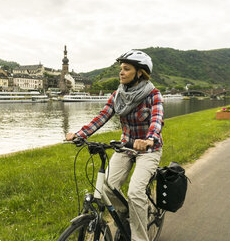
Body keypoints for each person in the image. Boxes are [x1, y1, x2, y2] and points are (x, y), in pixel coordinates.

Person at [65, 49, 164, 241]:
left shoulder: (153, 94)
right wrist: (79, 134)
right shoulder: (118, 95)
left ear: (139, 73)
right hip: (125, 146)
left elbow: (156, 120)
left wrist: (149, 139)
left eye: (126, 69)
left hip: (148, 149)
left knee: (135, 192)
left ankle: (139, 238)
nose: (121, 72)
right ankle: (129, 217)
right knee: (108, 187)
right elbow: (102, 116)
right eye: (121, 69)